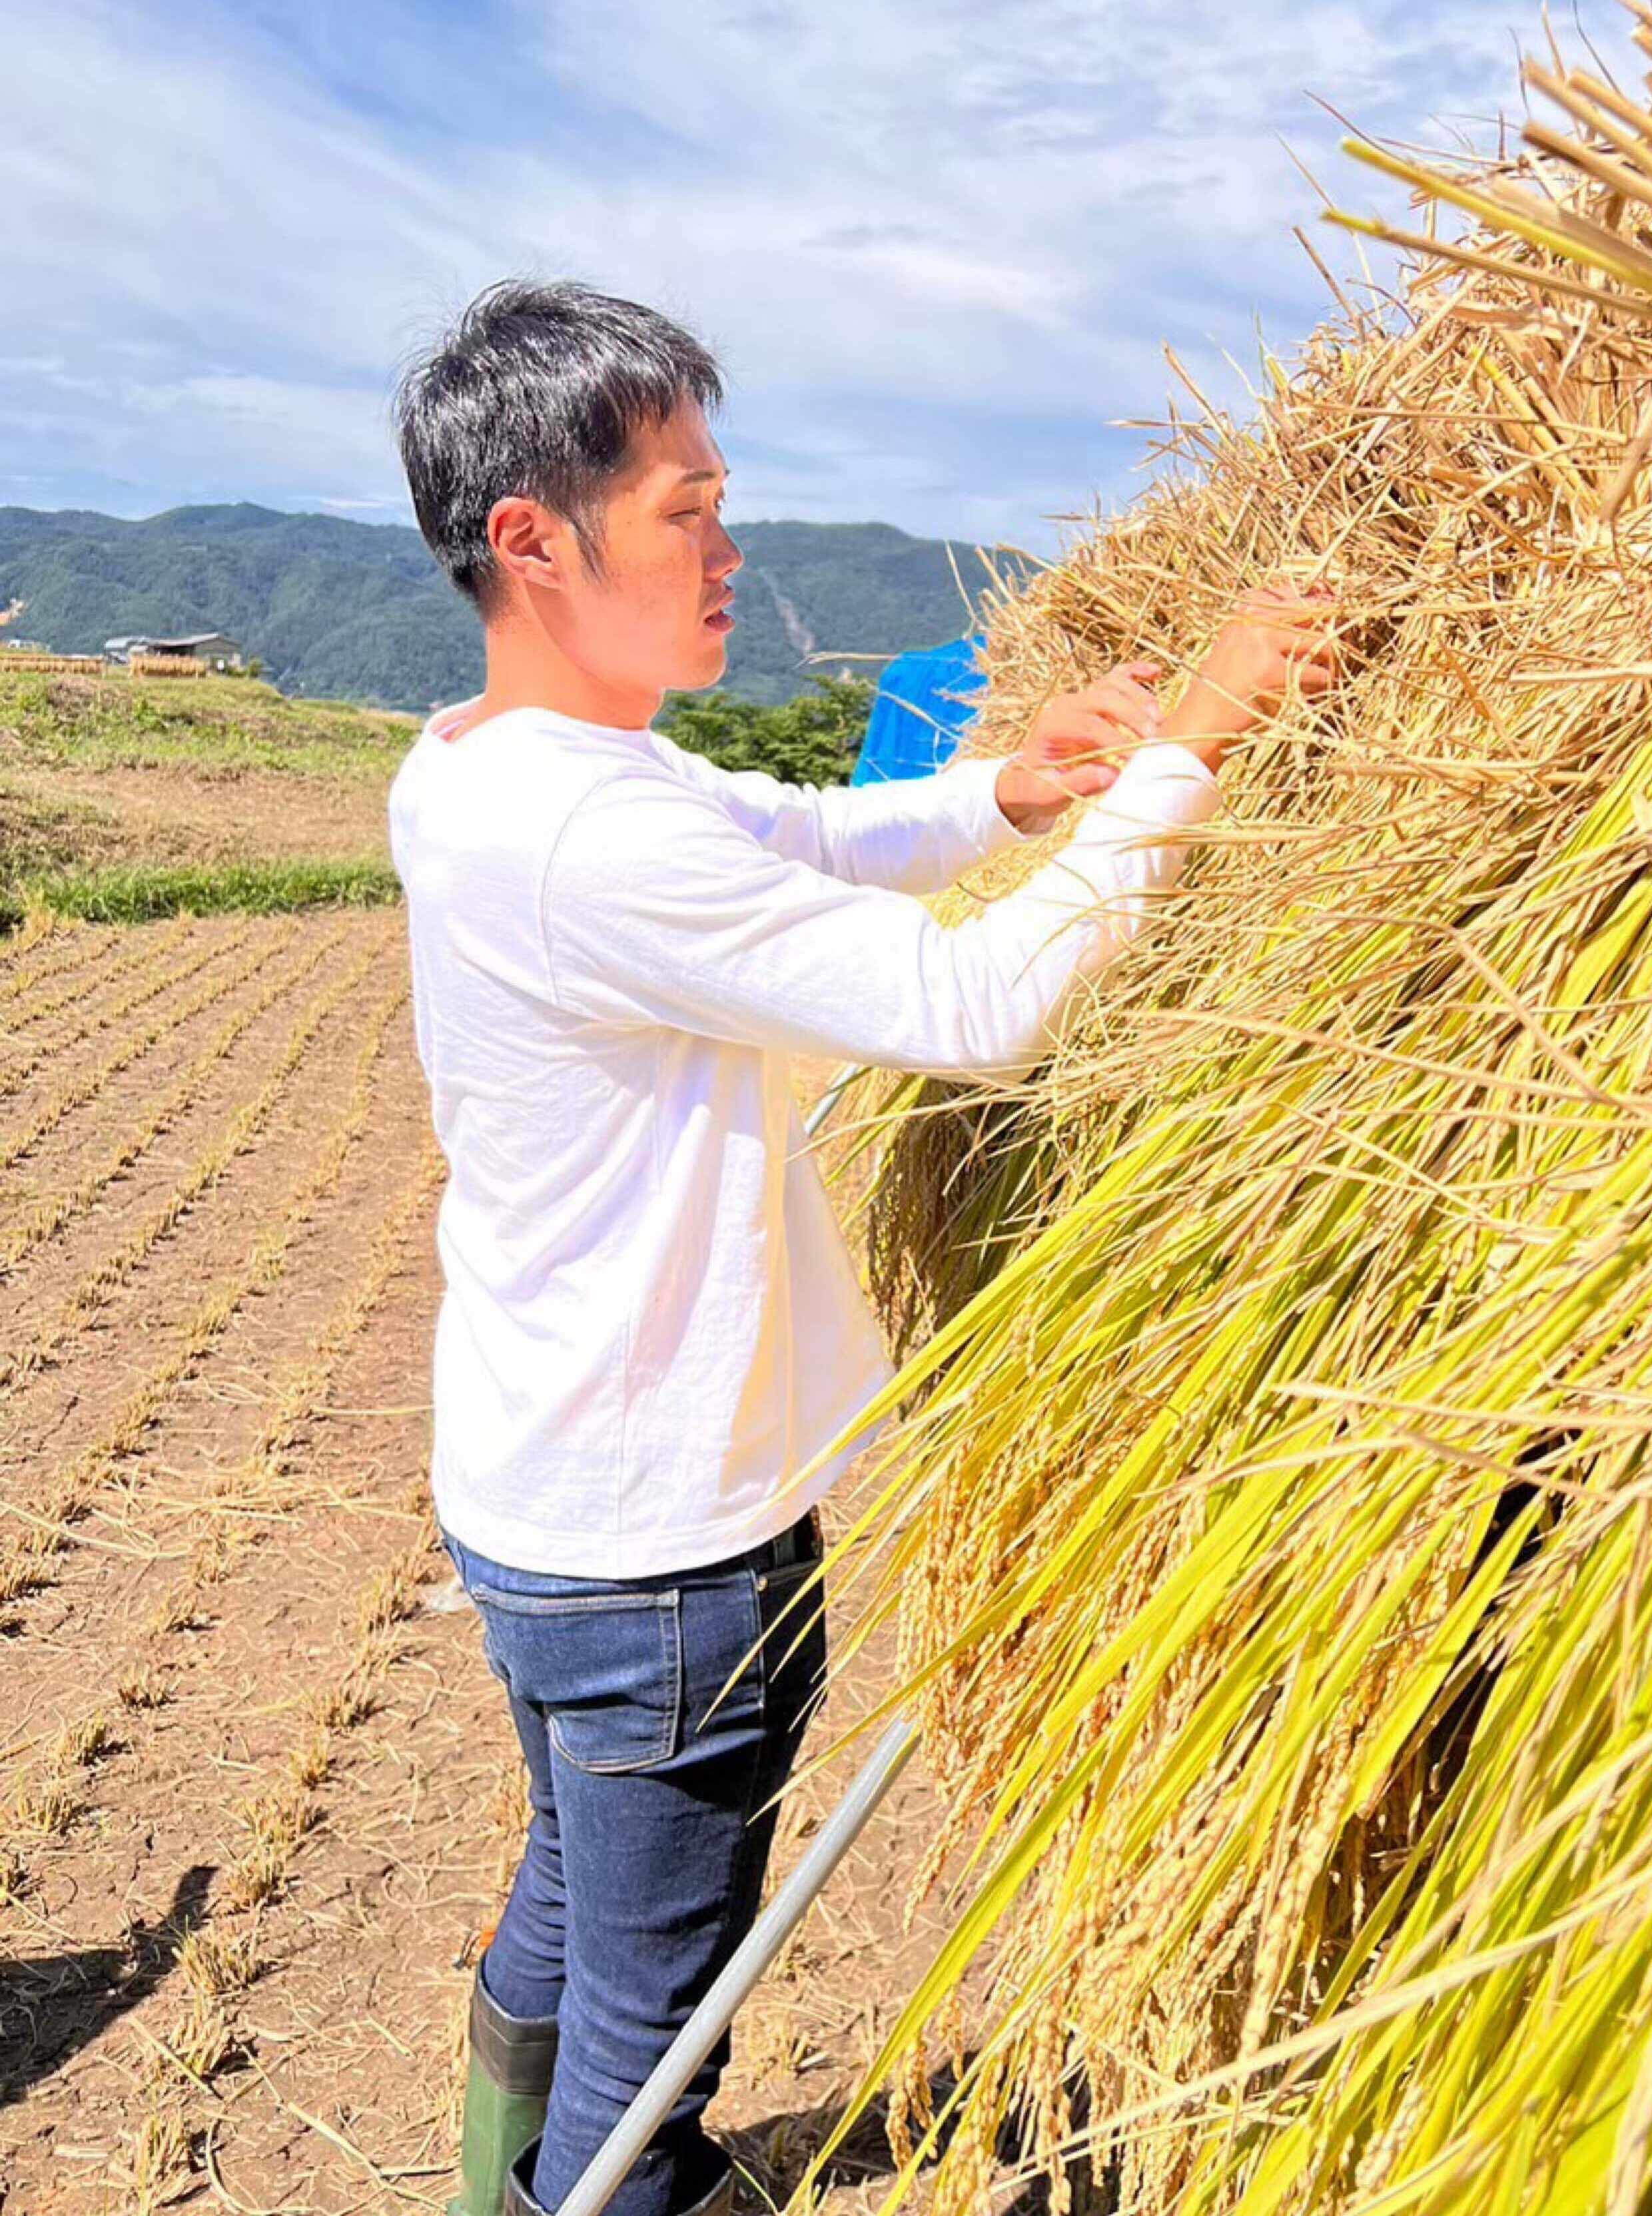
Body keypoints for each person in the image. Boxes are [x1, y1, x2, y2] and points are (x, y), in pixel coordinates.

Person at [384, 278, 1337, 2216]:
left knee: (571, 1900)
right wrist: (1199, 740)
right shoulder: (585, 837)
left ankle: (492, 2183)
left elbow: (787, 835)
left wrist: (1007, 793)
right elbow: (974, 1006)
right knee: (654, 2043)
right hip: (663, 1552)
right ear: (533, 539)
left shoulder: (486, 765)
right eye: (688, 511)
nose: (730, 551)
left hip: (542, 1497)